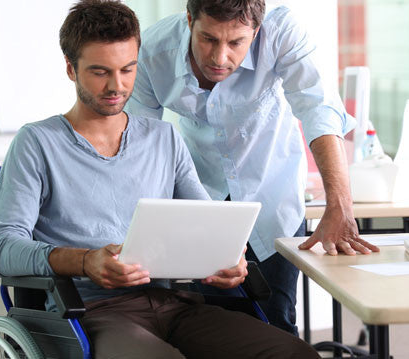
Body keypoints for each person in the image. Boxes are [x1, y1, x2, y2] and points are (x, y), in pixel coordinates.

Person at [0, 1, 319, 358]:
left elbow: (208, 224)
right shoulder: (36, 143)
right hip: (92, 313)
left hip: (175, 304)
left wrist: (227, 260)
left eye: (128, 69)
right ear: (71, 69)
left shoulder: (164, 138)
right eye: (100, 72)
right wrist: (85, 261)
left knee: (296, 354)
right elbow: (1, 249)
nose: (117, 86)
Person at [126, 0, 380, 335]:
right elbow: (137, 145)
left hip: (271, 197)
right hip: (203, 200)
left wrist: (340, 204)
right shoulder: (153, 52)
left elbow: (318, 109)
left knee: (275, 322)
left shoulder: (282, 32)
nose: (220, 58)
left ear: (256, 32)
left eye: (235, 43)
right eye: (208, 39)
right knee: (214, 325)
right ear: (190, 20)